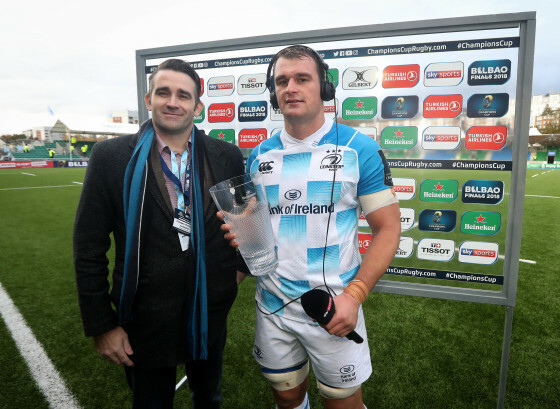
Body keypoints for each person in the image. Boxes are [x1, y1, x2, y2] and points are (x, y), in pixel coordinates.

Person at [226, 45, 401, 409]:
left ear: (324, 87)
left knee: (341, 400)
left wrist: (354, 296)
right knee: (287, 393)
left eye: (302, 78)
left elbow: (388, 229)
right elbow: (256, 232)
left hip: (332, 308)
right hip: (272, 305)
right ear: (273, 94)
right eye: (282, 81)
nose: (290, 87)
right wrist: (242, 234)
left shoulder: (360, 149)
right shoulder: (260, 156)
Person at [74, 58, 246, 409]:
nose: (172, 101)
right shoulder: (111, 157)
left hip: (209, 311)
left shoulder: (225, 155)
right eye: (163, 92)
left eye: (183, 95)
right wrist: (102, 325)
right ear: (148, 99)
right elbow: (88, 245)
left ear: (197, 106)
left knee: (209, 398)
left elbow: (245, 224)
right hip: (143, 318)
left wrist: (232, 276)